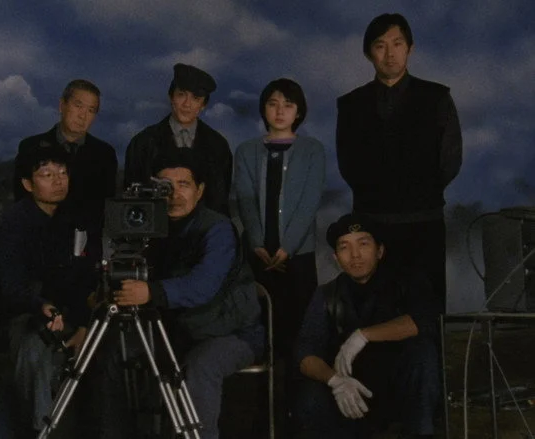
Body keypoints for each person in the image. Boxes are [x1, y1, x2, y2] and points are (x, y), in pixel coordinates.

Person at [103, 151, 264, 439]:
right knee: (116, 354)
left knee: (201, 366)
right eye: (166, 186)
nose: (175, 195)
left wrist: (151, 292)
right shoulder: (150, 226)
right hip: (175, 331)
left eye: (184, 184)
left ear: (200, 190)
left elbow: (203, 285)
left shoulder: (217, 228)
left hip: (231, 333)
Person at [335, 13, 462, 313]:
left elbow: (450, 159)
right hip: (372, 223)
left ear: (410, 48)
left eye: (397, 44)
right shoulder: (351, 104)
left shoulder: (437, 97)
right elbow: (347, 164)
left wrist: (421, 193)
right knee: (376, 310)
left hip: (424, 220)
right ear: (369, 53)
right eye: (380, 46)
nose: (389, 53)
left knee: (426, 310)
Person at [293, 213, 440, 439]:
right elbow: (305, 352)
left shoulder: (405, 282)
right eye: (344, 247)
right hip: (351, 394)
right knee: (310, 395)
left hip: (398, 392)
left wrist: (363, 335)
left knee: (423, 353)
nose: (355, 255)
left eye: (363, 244)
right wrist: (335, 381)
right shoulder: (327, 294)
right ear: (335, 258)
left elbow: (424, 321)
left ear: (380, 251)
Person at [0, 145, 98, 437]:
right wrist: (41, 306)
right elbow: (9, 285)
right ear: (27, 183)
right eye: (47, 174)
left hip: (75, 310)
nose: (58, 181)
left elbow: (87, 277)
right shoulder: (12, 223)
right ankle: (42, 429)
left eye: (63, 173)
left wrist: (83, 324)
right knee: (36, 351)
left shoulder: (78, 218)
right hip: (24, 310)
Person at [234, 77, 325, 435]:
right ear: (264, 109)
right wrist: (258, 243)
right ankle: (260, 417)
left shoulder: (312, 150)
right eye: (273, 103)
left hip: (297, 258)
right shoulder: (246, 151)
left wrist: (287, 246)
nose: (280, 110)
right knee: (259, 337)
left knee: (298, 338)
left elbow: (309, 202)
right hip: (257, 259)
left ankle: (296, 417)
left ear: (298, 111)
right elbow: (244, 200)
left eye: (288, 104)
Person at [124, 63, 232, 215]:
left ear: (203, 105)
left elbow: (219, 202)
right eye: (181, 95)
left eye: (195, 98)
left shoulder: (218, 145)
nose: (187, 104)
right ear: (171, 97)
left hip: (204, 228)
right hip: (156, 226)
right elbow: (133, 200)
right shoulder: (142, 143)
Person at [13, 79, 118, 231]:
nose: (83, 116)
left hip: (87, 239)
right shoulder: (30, 147)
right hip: (40, 236)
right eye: (78, 106)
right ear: (62, 105)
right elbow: (21, 202)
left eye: (91, 110)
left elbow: (105, 207)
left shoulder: (104, 154)